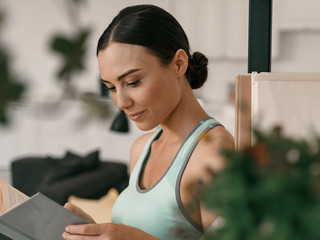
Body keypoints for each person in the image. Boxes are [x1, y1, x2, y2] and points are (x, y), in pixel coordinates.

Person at [62, 4, 234, 240]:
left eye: (132, 82)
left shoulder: (214, 153)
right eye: (111, 88)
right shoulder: (141, 149)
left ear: (178, 64)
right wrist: (96, 231)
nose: (120, 102)